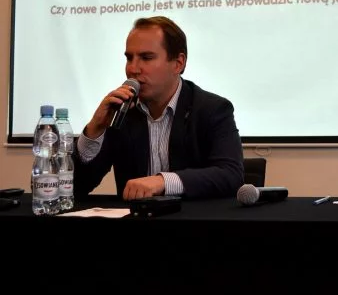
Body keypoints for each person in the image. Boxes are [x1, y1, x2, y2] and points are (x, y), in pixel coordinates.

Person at [73, 15, 244, 200]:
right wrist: (94, 130)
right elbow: (77, 187)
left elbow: (230, 175)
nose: (133, 69)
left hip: (193, 218)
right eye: (129, 58)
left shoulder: (212, 109)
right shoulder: (122, 111)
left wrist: (163, 182)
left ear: (178, 63)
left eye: (146, 58)